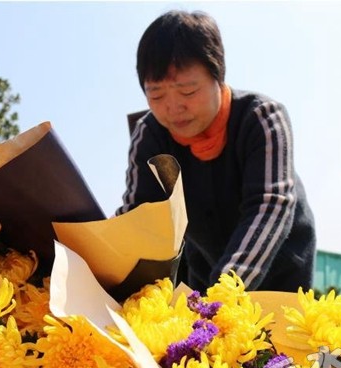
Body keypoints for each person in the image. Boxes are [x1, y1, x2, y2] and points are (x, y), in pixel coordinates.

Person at [116, 10, 316, 293]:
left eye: (187, 91)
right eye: (156, 95)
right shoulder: (150, 135)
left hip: (279, 266)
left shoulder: (261, 118)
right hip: (205, 266)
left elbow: (269, 204)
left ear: (218, 77)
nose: (173, 108)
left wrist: (221, 296)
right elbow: (137, 218)